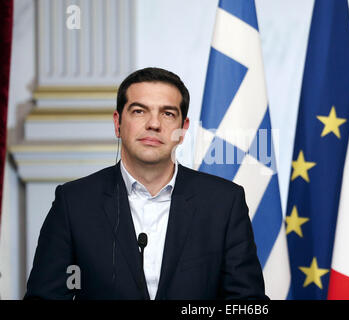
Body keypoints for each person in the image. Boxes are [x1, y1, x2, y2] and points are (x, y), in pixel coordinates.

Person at [24, 67, 267, 300]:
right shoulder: (74, 202)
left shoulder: (224, 203)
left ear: (183, 130)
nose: (154, 124)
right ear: (118, 123)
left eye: (168, 113)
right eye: (139, 111)